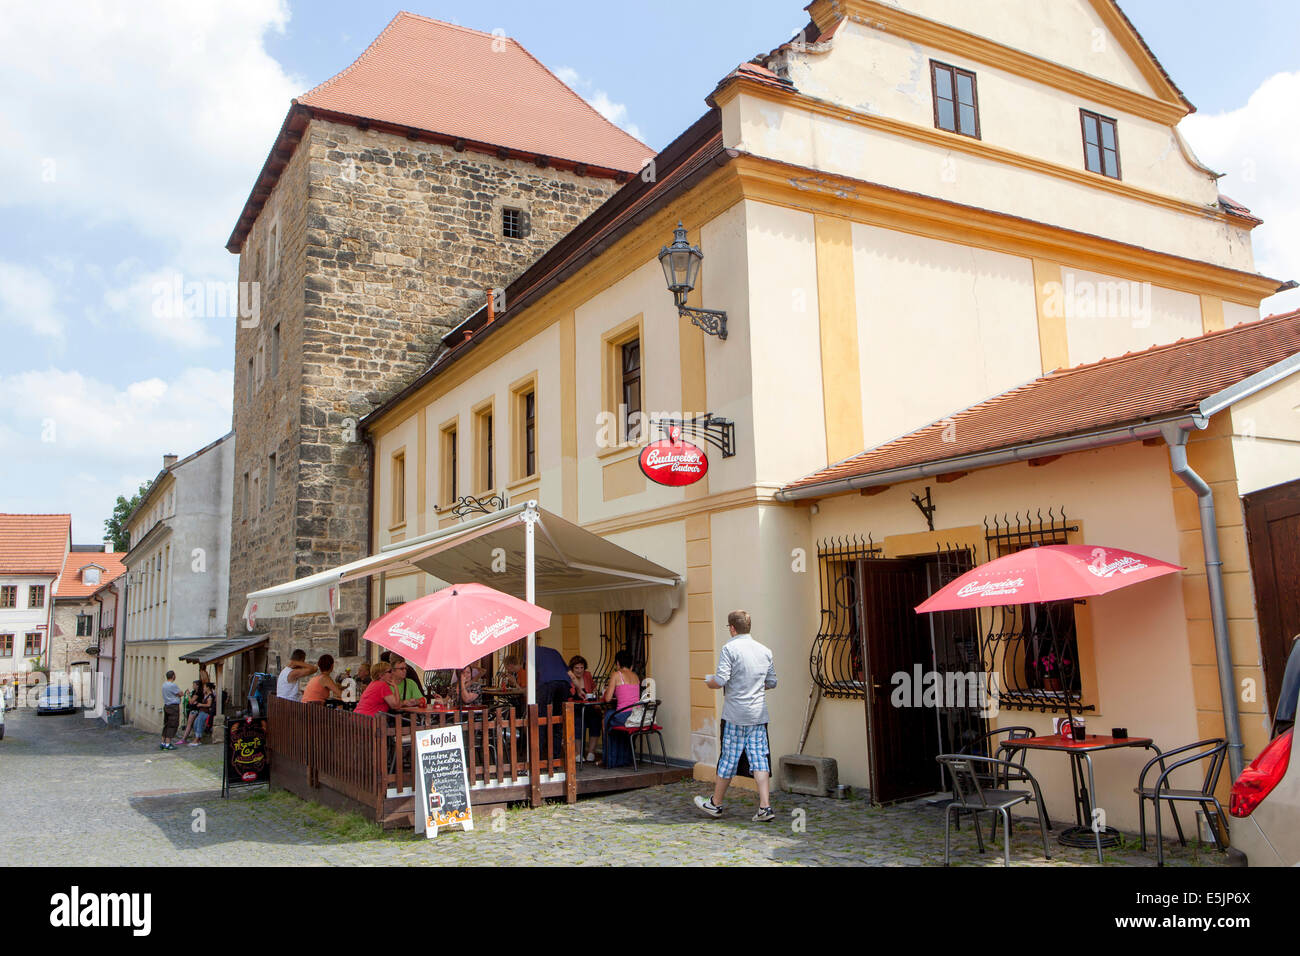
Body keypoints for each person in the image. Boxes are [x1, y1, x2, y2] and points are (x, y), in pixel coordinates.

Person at [694, 610, 778, 822]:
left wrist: (708, 680)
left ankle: (716, 803)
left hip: (735, 714)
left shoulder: (729, 649)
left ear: (732, 628)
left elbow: (721, 680)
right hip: (758, 714)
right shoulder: (765, 651)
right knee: (760, 759)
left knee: (728, 758)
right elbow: (772, 682)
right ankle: (765, 807)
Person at [600, 651, 642, 768]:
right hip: (636, 716)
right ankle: (624, 758)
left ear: (618, 663)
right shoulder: (635, 676)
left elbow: (607, 699)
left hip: (625, 716)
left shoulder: (616, 675)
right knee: (611, 715)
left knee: (607, 718)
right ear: (631, 664)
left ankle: (610, 760)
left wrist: (607, 691)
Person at [354, 662, 427, 716]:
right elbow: (396, 706)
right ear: (381, 675)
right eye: (389, 671)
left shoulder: (374, 683)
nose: (392, 673)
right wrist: (395, 687)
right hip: (370, 721)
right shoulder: (382, 685)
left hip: (361, 717)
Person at [568, 656, 600, 762]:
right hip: (574, 707)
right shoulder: (569, 677)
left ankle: (591, 752)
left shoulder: (587, 675)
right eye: (577, 668)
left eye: (582, 667)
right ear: (572, 668)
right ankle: (577, 753)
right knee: (577, 722)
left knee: (596, 720)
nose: (579, 670)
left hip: (588, 706)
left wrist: (595, 692)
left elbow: (594, 687)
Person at [160, 671, 182, 750]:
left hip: (167, 705)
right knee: (172, 724)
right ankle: (168, 743)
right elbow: (180, 693)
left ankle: (163, 742)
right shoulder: (173, 685)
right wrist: (178, 694)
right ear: (173, 676)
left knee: (166, 724)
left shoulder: (164, 685)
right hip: (173, 707)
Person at [177, 679, 203, 744]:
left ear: (197, 686)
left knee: (189, 724)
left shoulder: (198, 693)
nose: (193, 686)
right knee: (191, 724)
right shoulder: (194, 692)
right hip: (192, 709)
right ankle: (186, 738)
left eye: (194, 685)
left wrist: (188, 694)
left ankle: (184, 738)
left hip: (194, 710)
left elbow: (191, 701)